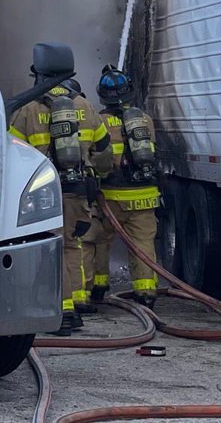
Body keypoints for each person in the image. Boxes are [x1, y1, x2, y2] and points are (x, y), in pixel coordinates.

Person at [8, 66, 113, 336]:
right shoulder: (85, 106)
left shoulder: (28, 110)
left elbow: (13, 153)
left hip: (44, 192)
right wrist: (100, 174)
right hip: (79, 189)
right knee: (72, 244)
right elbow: (103, 151)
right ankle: (77, 300)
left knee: (49, 248)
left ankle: (63, 311)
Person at [85, 65, 161, 308]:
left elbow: (97, 158)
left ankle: (98, 288)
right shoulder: (145, 120)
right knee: (143, 244)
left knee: (99, 241)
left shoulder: (99, 121)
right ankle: (146, 293)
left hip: (110, 198)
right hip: (145, 196)